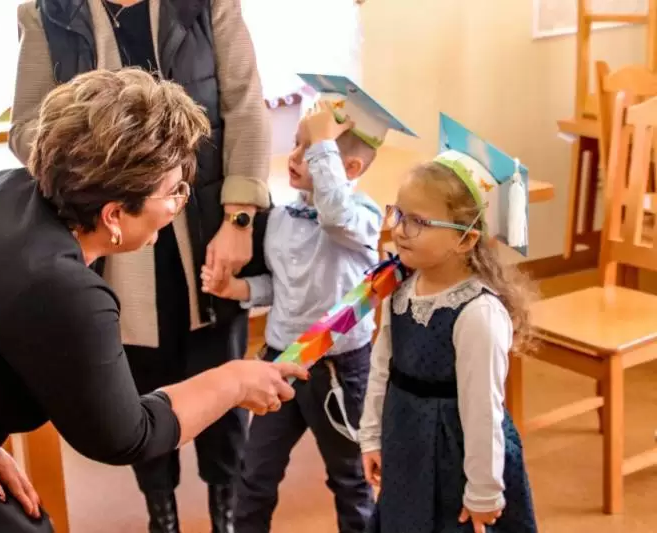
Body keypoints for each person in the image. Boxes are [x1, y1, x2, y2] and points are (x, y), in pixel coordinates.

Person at [0, 69, 307, 533]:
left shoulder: (11, 193)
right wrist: (234, 380)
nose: (180, 203)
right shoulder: (59, 286)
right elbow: (127, 435)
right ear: (114, 215)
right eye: (174, 191)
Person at [9, 2, 271, 530]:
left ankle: (226, 514)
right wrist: (104, 155)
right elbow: (26, 131)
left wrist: (239, 219)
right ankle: (162, 515)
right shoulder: (47, 12)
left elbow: (245, 105)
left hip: (205, 226)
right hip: (114, 236)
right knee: (139, 386)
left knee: (221, 372)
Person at [202, 88, 404, 532]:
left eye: (309, 150)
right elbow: (281, 286)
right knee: (255, 475)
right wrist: (236, 288)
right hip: (281, 361)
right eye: (296, 144)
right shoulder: (283, 217)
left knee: (350, 479)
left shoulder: (362, 218)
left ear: (348, 169)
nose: (294, 157)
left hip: (338, 370)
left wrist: (324, 141)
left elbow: (335, 215)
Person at [359, 113, 538, 533]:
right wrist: (372, 437)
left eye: (418, 222)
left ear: (465, 238)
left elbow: (483, 411)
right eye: (398, 214)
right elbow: (381, 369)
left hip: (456, 458)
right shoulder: (401, 289)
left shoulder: (477, 314)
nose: (399, 230)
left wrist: (483, 492)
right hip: (406, 442)